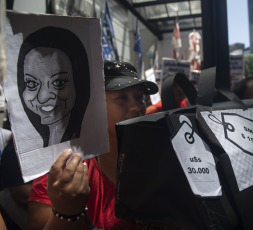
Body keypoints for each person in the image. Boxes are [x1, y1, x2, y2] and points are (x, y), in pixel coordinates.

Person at [27, 61, 158, 229]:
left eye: (139, 97)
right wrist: (66, 211)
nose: (136, 107)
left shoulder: (157, 161)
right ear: (94, 108)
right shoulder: (61, 173)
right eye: (122, 98)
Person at [17, 26, 90, 147]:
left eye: (58, 83)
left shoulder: (92, 152)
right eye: (31, 84)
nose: (43, 97)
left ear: (79, 83)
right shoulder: (14, 155)